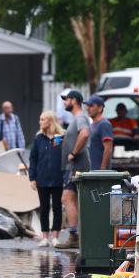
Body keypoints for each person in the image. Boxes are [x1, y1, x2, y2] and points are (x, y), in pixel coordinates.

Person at [55, 89, 90, 249]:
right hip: (74, 165)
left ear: (74, 100)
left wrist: (73, 153)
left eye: (66, 99)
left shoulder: (81, 116)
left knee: (67, 198)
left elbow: (84, 134)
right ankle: (77, 234)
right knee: (73, 199)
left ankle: (74, 235)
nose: (64, 102)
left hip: (77, 165)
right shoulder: (76, 118)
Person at [28, 111, 64, 247]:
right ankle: (44, 237)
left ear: (50, 121)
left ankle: (55, 236)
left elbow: (64, 157)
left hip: (57, 178)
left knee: (57, 207)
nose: (40, 122)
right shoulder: (38, 139)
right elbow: (33, 159)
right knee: (44, 208)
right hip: (42, 178)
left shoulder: (59, 138)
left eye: (42, 119)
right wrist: (32, 178)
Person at [85, 95, 115, 170]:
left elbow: (108, 148)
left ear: (100, 108)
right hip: (92, 170)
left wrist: (102, 171)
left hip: (99, 172)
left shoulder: (104, 124)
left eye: (91, 106)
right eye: (87, 106)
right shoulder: (92, 125)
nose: (88, 108)